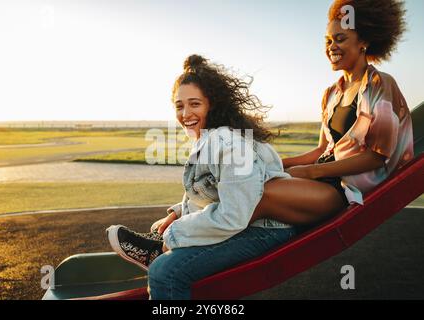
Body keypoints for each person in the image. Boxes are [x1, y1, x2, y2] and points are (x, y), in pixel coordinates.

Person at [108, 0, 414, 299]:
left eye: (340, 38)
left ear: (365, 41)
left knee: (257, 194)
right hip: (315, 180)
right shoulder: (332, 94)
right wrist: (279, 162)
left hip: (341, 190)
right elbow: (323, 148)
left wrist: (313, 170)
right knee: (248, 182)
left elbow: (378, 155)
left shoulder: (379, 85)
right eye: (328, 39)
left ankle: (164, 244)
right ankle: (169, 236)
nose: (331, 46)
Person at [107, 54, 297, 299]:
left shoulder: (229, 144)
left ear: (212, 105)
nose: (185, 113)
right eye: (179, 105)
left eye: (194, 104)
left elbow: (234, 215)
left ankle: (156, 252)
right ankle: (157, 246)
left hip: (265, 227)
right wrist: (178, 211)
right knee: (169, 235)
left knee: (165, 271)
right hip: (246, 217)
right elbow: (218, 188)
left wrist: (174, 235)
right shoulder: (210, 136)